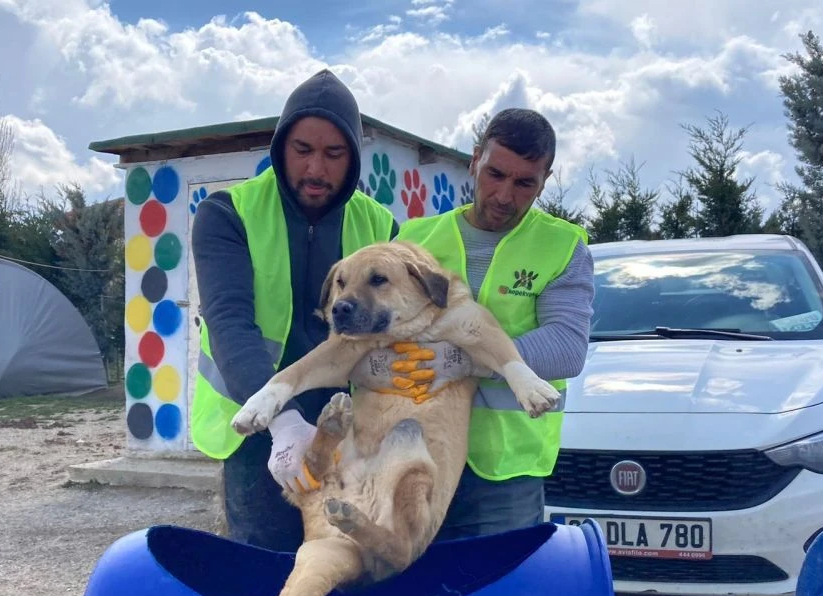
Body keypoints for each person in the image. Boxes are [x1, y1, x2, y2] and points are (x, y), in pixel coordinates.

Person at [351, 107, 595, 541]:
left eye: (525, 183)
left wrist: (462, 360)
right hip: (410, 453)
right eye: (495, 174)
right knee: (407, 594)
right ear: (475, 158)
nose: (504, 195)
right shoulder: (414, 239)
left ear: (546, 178)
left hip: (502, 472)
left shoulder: (562, 247)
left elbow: (565, 348)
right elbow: (372, 331)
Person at [190, 68, 399, 553]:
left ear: (354, 157)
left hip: (348, 428)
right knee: (263, 571)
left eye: (333, 153)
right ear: (280, 147)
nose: (316, 170)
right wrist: (282, 423)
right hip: (259, 431)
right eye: (303, 150)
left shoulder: (381, 224)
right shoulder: (226, 213)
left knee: (345, 569)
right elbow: (229, 323)